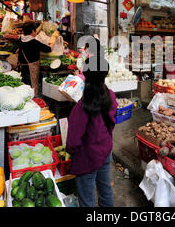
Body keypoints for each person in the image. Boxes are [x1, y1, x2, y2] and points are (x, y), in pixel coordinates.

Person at [66, 38, 117, 207]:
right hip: (105, 149)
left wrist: (71, 152)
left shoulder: (81, 106)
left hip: (87, 156)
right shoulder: (110, 96)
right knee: (105, 188)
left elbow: (73, 139)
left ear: (85, 75)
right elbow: (111, 122)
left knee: (86, 196)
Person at [18, 21, 55, 97]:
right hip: (31, 70)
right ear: (32, 31)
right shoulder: (34, 42)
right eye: (35, 31)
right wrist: (53, 40)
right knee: (32, 88)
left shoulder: (21, 39)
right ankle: (34, 101)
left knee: (24, 87)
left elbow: (32, 34)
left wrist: (41, 25)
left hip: (23, 68)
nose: (36, 32)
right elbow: (49, 49)